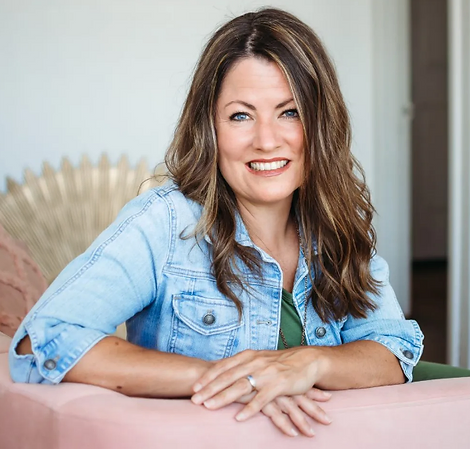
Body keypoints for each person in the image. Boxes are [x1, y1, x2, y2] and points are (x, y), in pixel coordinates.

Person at [9, 8, 424, 437]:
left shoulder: (337, 223)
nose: (266, 140)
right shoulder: (165, 224)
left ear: (320, 122)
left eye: (290, 112)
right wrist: (229, 377)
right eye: (241, 115)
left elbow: (393, 351)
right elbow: (41, 340)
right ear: (211, 126)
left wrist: (307, 363)